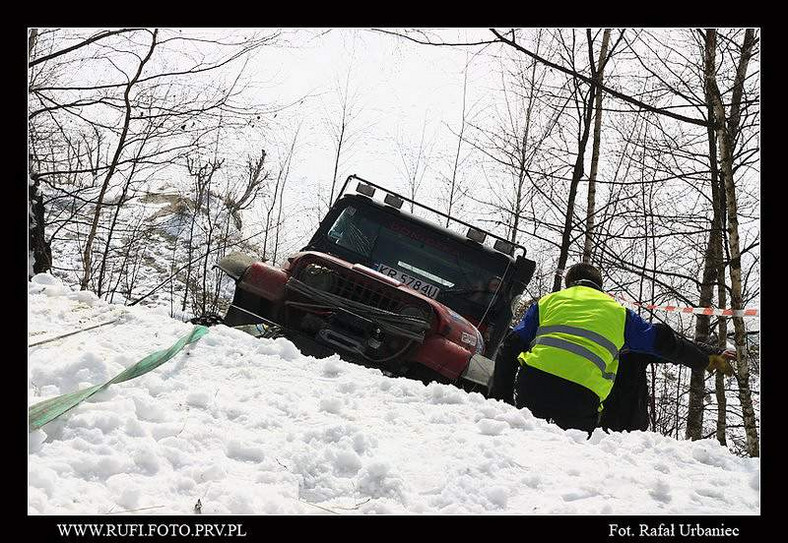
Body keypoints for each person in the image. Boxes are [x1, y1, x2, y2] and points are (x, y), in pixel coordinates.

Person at [488, 262, 734, 434]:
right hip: (581, 397)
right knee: (565, 456)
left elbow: (510, 346)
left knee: (524, 443)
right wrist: (705, 359)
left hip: (534, 386)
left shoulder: (548, 302)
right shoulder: (619, 313)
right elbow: (665, 342)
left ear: (569, 283)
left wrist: (501, 398)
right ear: (600, 286)